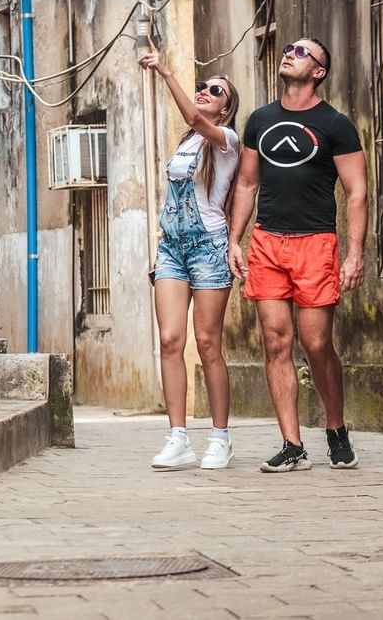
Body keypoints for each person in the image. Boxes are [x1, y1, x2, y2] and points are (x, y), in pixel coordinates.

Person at [227, 37, 367, 472]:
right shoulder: (261, 119)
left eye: (303, 51)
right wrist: (236, 239)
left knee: (317, 343)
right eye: (289, 47)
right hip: (268, 242)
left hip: (315, 244)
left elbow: (357, 191)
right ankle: (292, 445)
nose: (290, 52)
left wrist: (355, 253)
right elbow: (247, 184)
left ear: (319, 71)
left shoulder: (336, 124)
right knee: (276, 342)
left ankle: (336, 428)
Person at [139, 40, 241, 471]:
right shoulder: (186, 143)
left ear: (226, 108)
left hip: (210, 249)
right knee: (169, 340)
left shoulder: (225, 140)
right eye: (202, 85)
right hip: (173, 250)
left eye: (215, 90)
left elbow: (193, 117)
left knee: (208, 344)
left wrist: (165, 71)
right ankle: (178, 436)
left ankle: (220, 438)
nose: (205, 91)